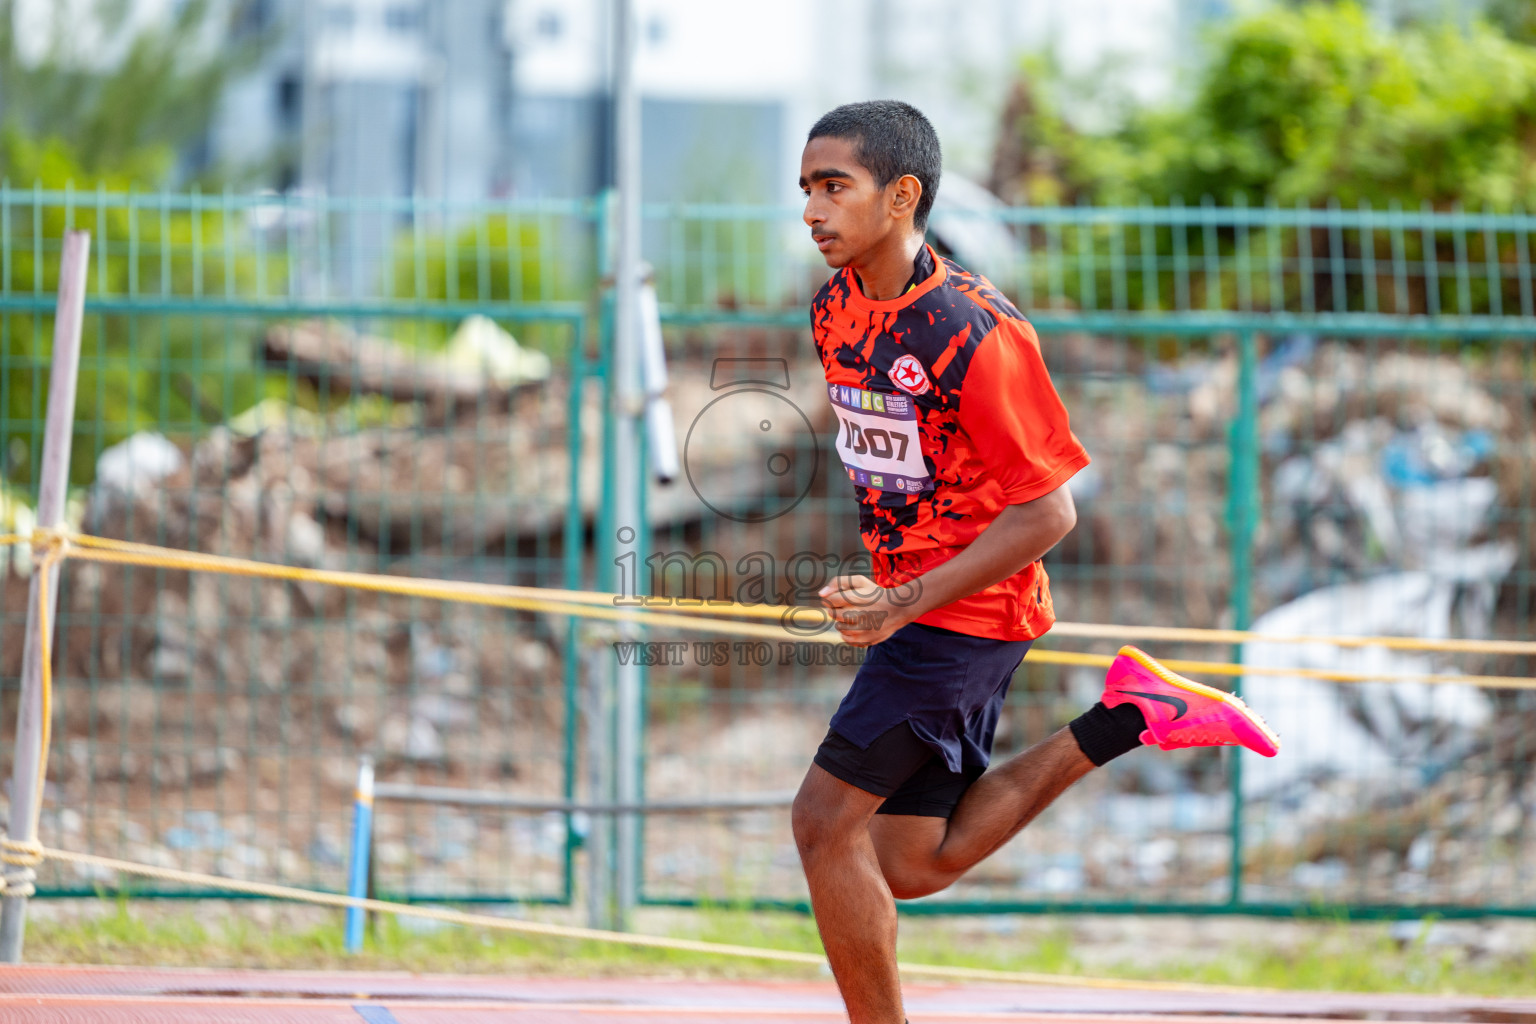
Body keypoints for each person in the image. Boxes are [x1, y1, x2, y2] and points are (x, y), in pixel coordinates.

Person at [793, 100, 1280, 1024]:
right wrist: (884, 580)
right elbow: (905, 463)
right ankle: (1130, 716)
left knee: (821, 824)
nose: (813, 211)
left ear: (902, 197)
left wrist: (903, 598)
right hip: (918, 609)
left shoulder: (977, 332)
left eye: (834, 187)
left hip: (960, 618)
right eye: (806, 190)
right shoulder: (832, 311)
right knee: (910, 861)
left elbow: (1048, 509)